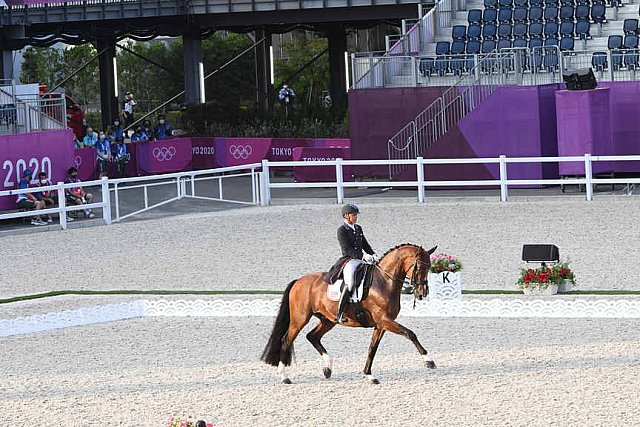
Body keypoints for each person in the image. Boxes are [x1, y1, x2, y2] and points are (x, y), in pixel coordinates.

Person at [327, 203, 379, 323]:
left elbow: (365, 244)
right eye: (353, 215)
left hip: (361, 259)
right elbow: (347, 249)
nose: (355, 217)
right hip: (349, 260)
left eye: (356, 215)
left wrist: (373, 254)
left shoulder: (358, 228)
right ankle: (339, 313)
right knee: (350, 283)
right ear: (346, 216)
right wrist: (363, 256)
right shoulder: (342, 230)